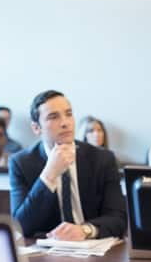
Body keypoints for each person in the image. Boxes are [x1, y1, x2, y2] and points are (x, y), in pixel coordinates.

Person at [9, 90, 126, 240]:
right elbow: (21, 226)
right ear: (36, 128)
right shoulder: (21, 163)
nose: (65, 123)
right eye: (53, 117)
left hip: (93, 251)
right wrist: (49, 175)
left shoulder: (102, 159)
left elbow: (119, 219)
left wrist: (85, 230)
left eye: (69, 114)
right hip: (47, 253)